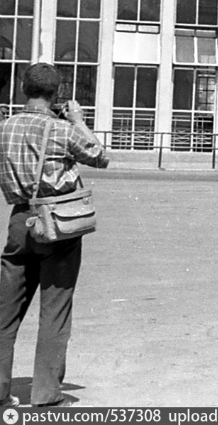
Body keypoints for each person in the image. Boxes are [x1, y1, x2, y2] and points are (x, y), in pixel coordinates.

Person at [0, 63, 109, 407]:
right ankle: (46, 393)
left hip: (20, 220)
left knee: (5, 311)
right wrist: (77, 120)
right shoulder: (62, 129)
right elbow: (100, 156)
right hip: (58, 224)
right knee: (55, 309)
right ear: (57, 92)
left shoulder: (5, 128)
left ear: (23, 89)